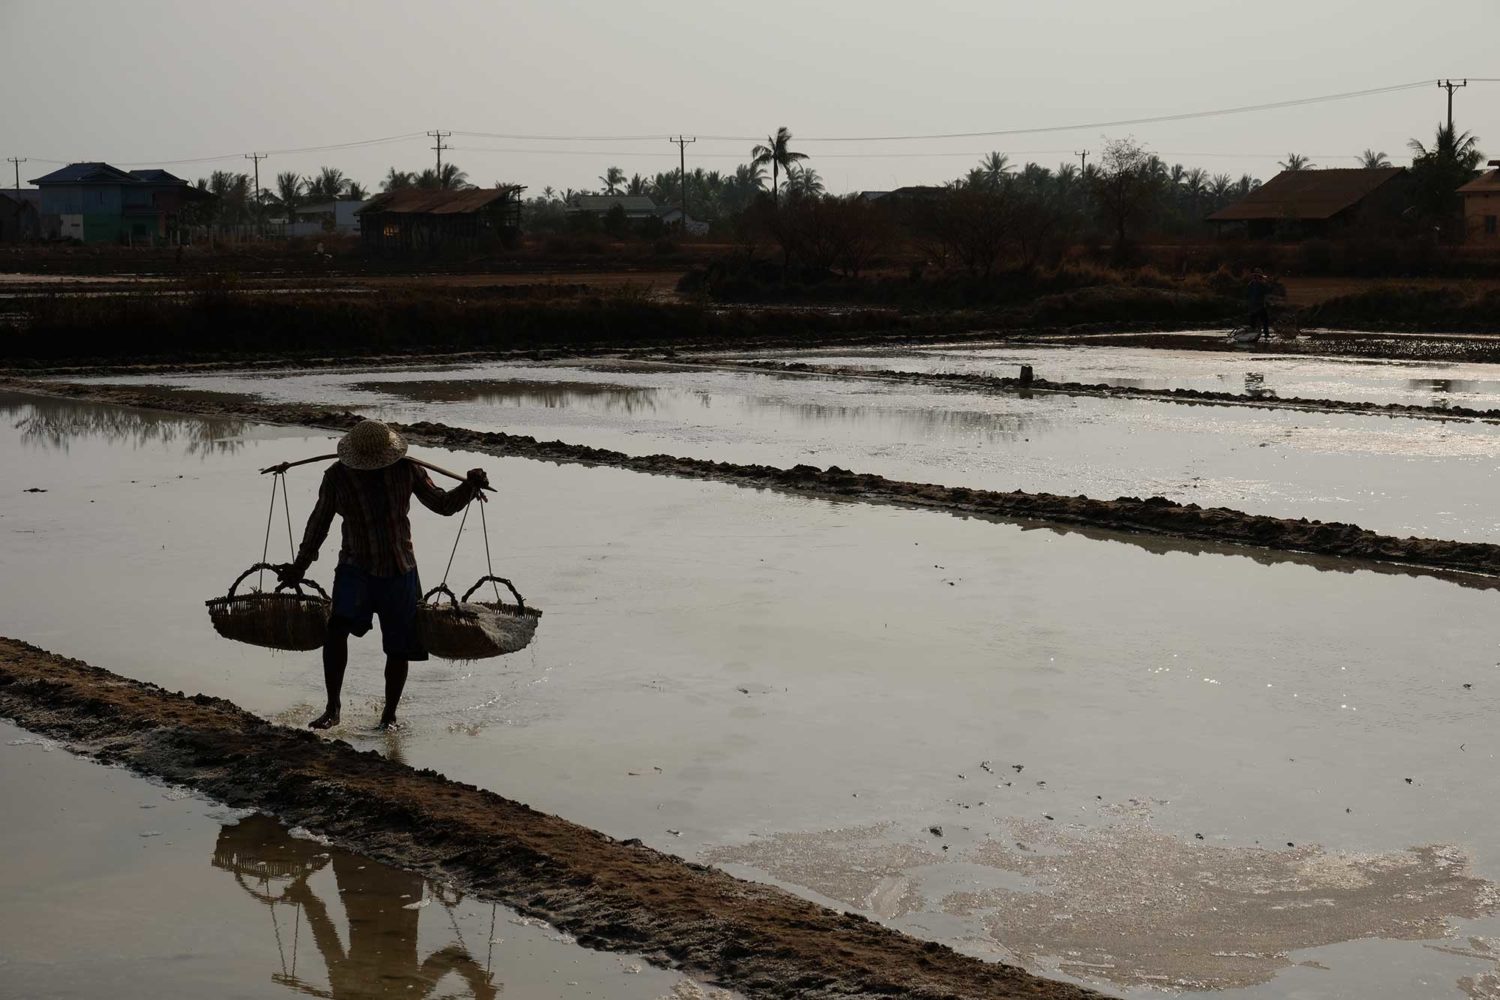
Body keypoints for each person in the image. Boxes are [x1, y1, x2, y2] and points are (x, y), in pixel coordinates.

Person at [278, 420, 489, 731]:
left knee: (399, 646)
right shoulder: (337, 477)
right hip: (355, 566)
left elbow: (443, 504)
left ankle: (389, 715)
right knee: (336, 628)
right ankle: (332, 706)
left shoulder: (407, 470)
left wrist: (469, 487)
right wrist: (300, 566)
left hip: (399, 568)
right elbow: (318, 525)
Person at [1247, 270, 1272, 338]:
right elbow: (1268, 290)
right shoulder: (1260, 284)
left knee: (1253, 323)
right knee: (1265, 320)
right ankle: (1266, 334)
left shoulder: (1250, 284)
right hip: (1259, 306)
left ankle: (1251, 335)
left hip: (1252, 306)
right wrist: (1266, 282)